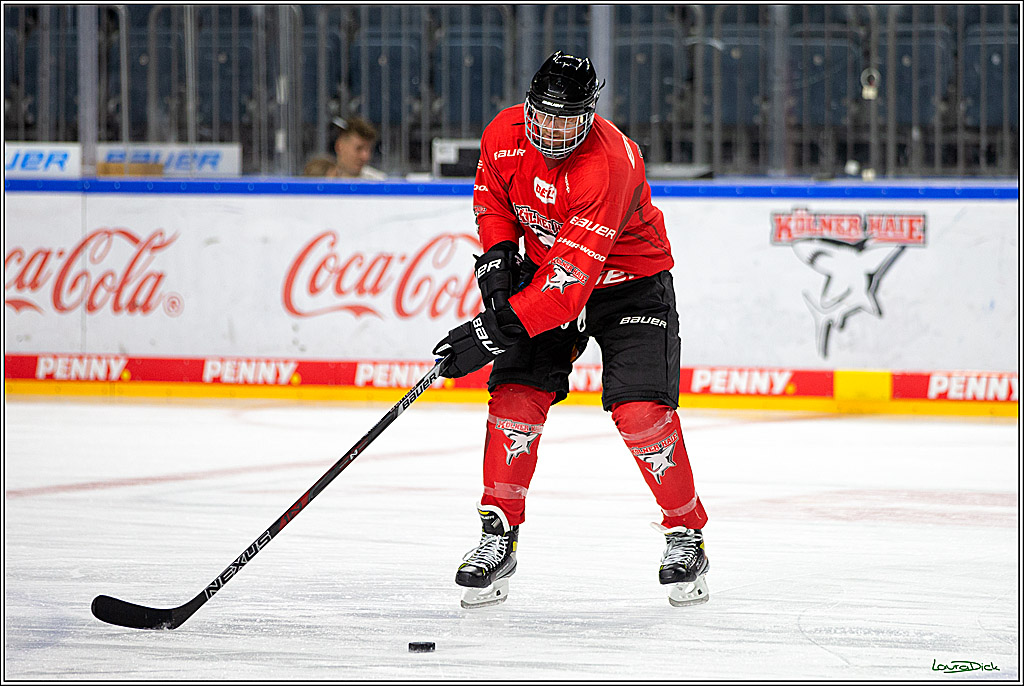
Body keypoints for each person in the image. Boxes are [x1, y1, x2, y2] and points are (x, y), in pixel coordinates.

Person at [431, 51, 709, 609]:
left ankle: (685, 533)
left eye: (569, 119)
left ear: (588, 116)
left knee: (641, 412)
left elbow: (567, 286)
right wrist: (498, 258)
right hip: (545, 274)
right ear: (530, 106)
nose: (555, 131)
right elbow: (492, 199)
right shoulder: (501, 132)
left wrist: (489, 332)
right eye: (546, 115)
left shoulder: (609, 164)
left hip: (629, 281)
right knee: (513, 399)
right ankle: (497, 533)